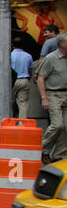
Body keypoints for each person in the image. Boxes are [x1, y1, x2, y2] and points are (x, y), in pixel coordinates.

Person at [37, 32, 67, 161]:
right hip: (53, 93)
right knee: (57, 125)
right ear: (62, 44)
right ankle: (42, 149)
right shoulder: (51, 58)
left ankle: (60, 154)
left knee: (66, 127)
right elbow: (40, 78)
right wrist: (44, 98)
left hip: (66, 93)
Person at [11, 42, 34, 119]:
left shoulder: (9, 55)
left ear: (12, 45)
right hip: (24, 80)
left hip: (12, 81)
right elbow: (30, 70)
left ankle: (9, 122)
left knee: (9, 102)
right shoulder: (28, 56)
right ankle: (22, 124)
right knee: (23, 103)